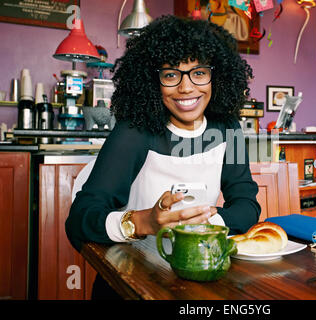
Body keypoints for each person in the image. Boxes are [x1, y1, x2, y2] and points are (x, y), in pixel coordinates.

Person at [65, 15, 261, 299]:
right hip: (130, 283)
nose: (186, 88)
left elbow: (246, 202)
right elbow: (80, 219)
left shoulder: (226, 127)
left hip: (197, 278)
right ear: (153, 81)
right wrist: (142, 222)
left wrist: (208, 225)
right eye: (171, 75)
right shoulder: (135, 131)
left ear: (216, 76)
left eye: (199, 73)